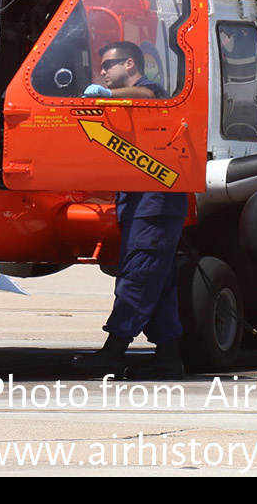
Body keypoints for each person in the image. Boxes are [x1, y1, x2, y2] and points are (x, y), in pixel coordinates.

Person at [72, 42, 189, 380]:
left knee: (137, 278)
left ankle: (113, 351)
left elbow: (149, 95)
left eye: (109, 65)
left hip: (154, 206)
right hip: (143, 204)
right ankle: (168, 357)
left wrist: (106, 97)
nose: (103, 72)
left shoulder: (150, 93)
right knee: (159, 284)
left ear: (130, 63)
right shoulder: (128, 104)